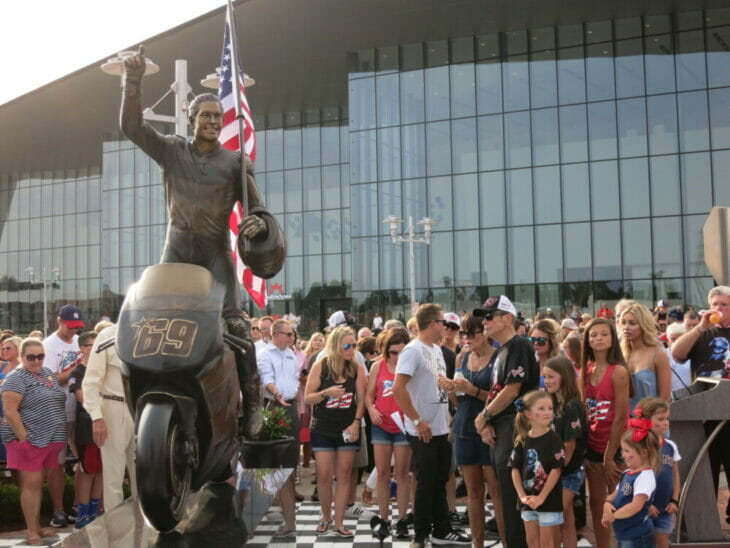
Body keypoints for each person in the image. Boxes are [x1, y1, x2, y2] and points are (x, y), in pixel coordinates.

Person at [120, 47, 285, 439]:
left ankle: (252, 410)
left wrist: (257, 228)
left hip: (215, 258)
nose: (212, 121)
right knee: (145, 327)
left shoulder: (234, 163)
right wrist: (133, 82)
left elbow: (258, 211)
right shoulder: (171, 150)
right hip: (174, 256)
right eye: (205, 116)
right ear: (191, 120)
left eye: (217, 116)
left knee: (240, 334)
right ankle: (146, 401)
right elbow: (131, 128)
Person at [392, 304, 471, 547]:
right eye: (443, 322)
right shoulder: (412, 350)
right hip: (421, 427)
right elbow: (398, 388)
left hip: (440, 425)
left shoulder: (436, 349)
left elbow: (431, 383)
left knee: (440, 479)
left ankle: (443, 528)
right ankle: (420, 534)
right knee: (426, 481)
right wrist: (417, 420)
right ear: (433, 323)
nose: (446, 328)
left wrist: (448, 388)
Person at [473, 296, 540, 548]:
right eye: (484, 316)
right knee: (505, 495)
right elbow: (496, 390)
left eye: (490, 316)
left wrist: (484, 416)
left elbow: (512, 390)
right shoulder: (503, 350)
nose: (484, 321)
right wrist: (488, 421)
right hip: (502, 427)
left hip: (516, 425)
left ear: (508, 318)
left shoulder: (519, 345)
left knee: (515, 497)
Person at [670, 286, 730, 521]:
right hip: (704, 411)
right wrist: (700, 327)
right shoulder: (702, 332)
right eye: (715, 304)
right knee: (705, 468)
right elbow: (677, 353)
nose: (718, 309)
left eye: (724, 305)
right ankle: (702, 521)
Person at [1, 338, 66, 545]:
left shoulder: (47, 374)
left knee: (39, 485)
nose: (37, 360)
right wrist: (23, 437)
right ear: (21, 357)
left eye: (40, 356)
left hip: (48, 440)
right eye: (31, 357)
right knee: (31, 485)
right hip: (29, 441)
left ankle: (37, 526)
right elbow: (10, 411)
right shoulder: (15, 378)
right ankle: (31, 531)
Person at [305, 326, 366, 538]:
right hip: (322, 428)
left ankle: (339, 522)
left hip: (347, 428)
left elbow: (363, 398)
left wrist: (357, 422)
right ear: (336, 345)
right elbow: (308, 397)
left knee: (344, 475)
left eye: (354, 345)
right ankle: (325, 517)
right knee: (323, 475)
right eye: (347, 345)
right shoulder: (321, 366)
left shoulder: (356, 368)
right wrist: (325, 392)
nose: (352, 349)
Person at [448, 313, 503, 547]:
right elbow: (457, 397)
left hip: (491, 427)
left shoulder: (499, 357)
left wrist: (472, 391)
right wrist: (450, 387)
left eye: (471, 333)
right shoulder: (461, 358)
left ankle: (507, 541)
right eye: (462, 333)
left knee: (496, 490)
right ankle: (477, 543)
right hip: (464, 425)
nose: (465, 337)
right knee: (472, 492)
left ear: (484, 333)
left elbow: (501, 396)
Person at [581, 318, 631, 548]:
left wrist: (610, 455)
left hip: (617, 447)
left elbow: (621, 417)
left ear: (612, 339)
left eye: (603, 334)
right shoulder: (587, 369)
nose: (598, 338)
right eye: (593, 335)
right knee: (597, 504)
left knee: (622, 503)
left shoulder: (619, 371)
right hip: (593, 445)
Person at [82, 324, 137, 511]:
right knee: (114, 477)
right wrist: (97, 418)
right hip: (115, 407)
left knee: (146, 476)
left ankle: (148, 532)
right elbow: (90, 383)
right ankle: (117, 530)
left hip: (145, 409)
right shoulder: (108, 335)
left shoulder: (157, 332)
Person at [364, 328, 412, 540]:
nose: (397, 356)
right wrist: (372, 409)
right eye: (393, 352)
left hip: (403, 425)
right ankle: (383, 519)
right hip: (381, 423)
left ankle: (402, 519)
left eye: (402, 352)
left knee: (402, 475)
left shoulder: (411, 367)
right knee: (382, 473)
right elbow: (368, 395)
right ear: (386, 351)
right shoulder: (378, 366)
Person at [256, 319, 301, 538]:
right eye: (289, 334)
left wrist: (298, 406)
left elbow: (295, 381)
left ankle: (289, 518)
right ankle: (285, 517)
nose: (293, 338)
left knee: (291, 464)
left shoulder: (291, 354)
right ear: (276, 334)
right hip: (275, 407)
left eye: (293, 335)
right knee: (279, 466)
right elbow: (267, 380)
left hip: (290, 407)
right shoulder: (265, 354)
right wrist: (277, 395)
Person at [43, 304, 86, 528]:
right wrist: (75, 369)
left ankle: (81, 505)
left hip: (80, 410)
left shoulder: (80, 341)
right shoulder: (49, 345)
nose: (73, 332)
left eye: (77, 327)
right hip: (58, 411)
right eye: (70, 327)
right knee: (57, 463)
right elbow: (49, 380)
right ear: (59, 321)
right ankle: (58, 510)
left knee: (85, 459)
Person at [509, 390, 566, 548]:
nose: (547, 412)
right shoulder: (522, 439)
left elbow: (556, 470)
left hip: (548, 501)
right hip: (528, 502)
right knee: (532, 542)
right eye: (541, 409)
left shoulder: (554, 439)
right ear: (528, 414)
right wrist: (522, 496)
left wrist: (541, 497)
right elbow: (514, 469)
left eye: (550, 408)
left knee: (547, 543)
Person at [543, 356, 587, 548]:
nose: (547, 381)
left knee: (553, 517)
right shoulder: (554, 402)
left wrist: (557, 472)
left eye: (552, 377)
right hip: (559, 470)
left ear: (565, 376)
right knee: (566, 520)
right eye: (545, 377)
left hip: (568, 472)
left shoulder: (572, 405)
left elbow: (570, 446)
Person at [601, 421, 661, 548]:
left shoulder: (645, 476)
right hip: (625, 533)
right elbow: (615, 494)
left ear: (644, 453)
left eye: (627, 451)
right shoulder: (628, 473)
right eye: (623, 450)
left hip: (637, 535)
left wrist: (613, 516)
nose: (623, 455)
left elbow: (636, 506)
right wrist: (607, 504)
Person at [634, 397, 681, 548]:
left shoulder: (670, 446)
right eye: (660, 419)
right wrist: (645, 504)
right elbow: (634, 477)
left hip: (665, 508)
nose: (666, 422)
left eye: (667, 418)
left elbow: (675, 475)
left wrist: (674, 500)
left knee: (662, 543)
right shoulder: (640, 447)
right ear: (647, 420)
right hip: (644, 508)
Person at [67, 331, 103, 529]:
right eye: (92, 344)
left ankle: (94, 512)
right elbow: (84, 399)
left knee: (101, 470)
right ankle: (82, 515)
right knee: (88, 470)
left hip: (106, 427)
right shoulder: (78, 372)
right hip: (87, 428)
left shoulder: (104, 369)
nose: (96, 347)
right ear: (82, 348)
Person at [619, 303, 671, 407]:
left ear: (644, 325)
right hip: (623, 419)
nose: (626, 327)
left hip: (649, 419)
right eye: (623, 323)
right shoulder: (620, 353)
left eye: (632, 323)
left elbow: (665, 398)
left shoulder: (658, 354)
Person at [529, 319, 562, 388]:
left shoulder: (562, 364)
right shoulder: (527, 363)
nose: (536, 343)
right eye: (532, 339)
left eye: (541, 340)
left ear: (551, 341)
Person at [664, 323, 691, 391]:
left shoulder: (693, 354)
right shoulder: (662, 355)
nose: (676, 342)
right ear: (667, 339)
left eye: (680, 339)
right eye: (673, 339)